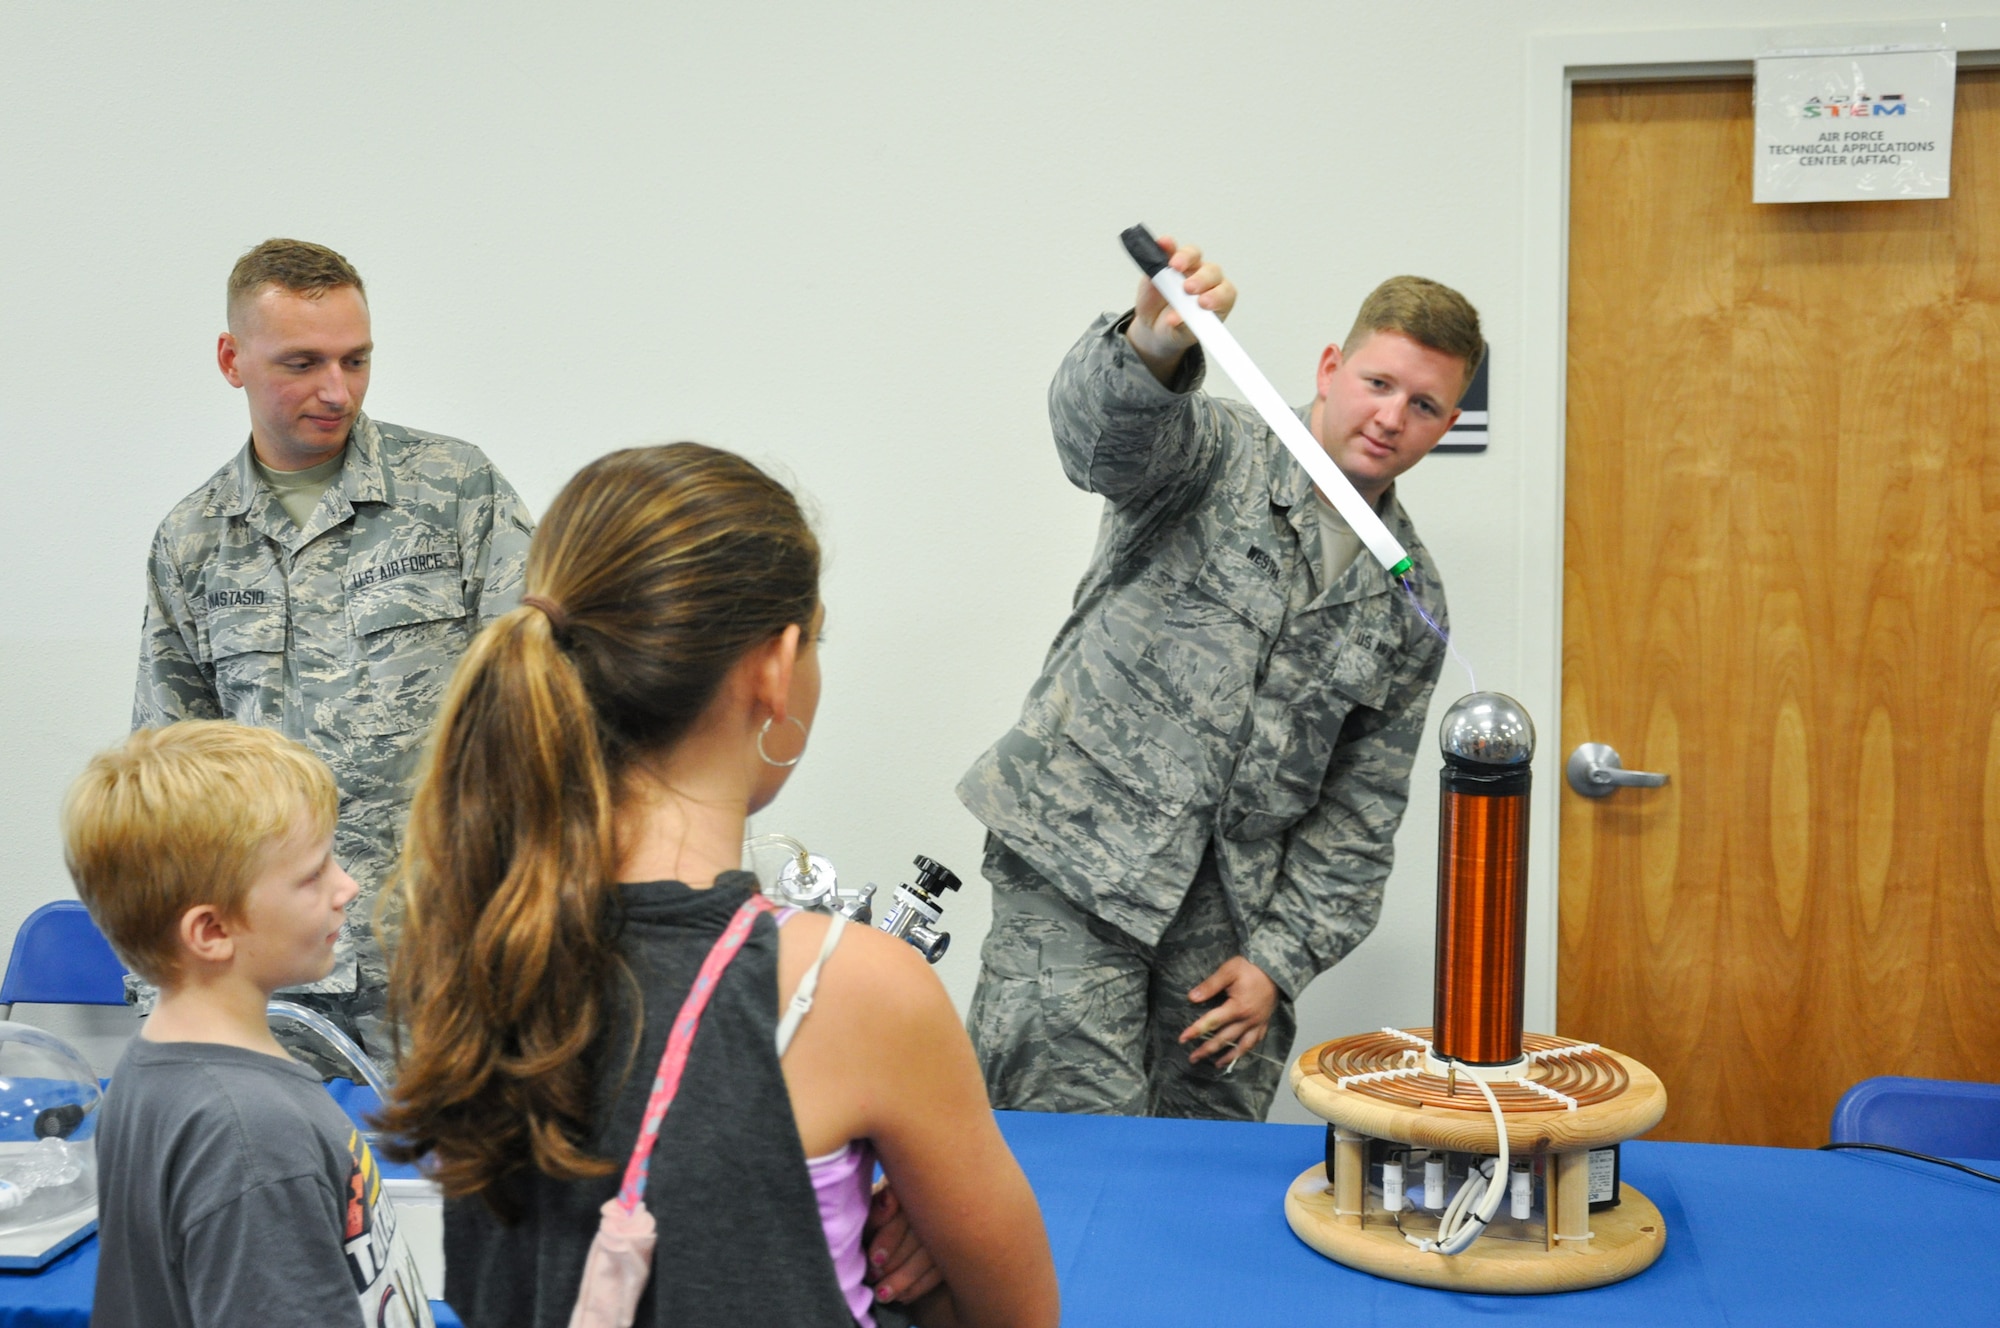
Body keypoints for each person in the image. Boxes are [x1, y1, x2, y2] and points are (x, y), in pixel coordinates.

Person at [375, 443, 1057, 1327]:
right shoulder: (846, 989)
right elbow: (1020, 1315)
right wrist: (915, 1275)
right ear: (776, 668)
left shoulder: (471, 945)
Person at [959, 235, 1484, 1121]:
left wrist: (1279, 960)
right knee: (1065, 1156)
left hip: (1226, 941)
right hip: (1078, 874)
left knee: (1196, 1188)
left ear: (1449, 424)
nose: (1394, 416)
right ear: (1330, 367)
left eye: (1426, 404)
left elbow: (1361, 815)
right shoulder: (1215, 452)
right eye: (1379, 383)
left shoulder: (1411, 595)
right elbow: (1101, 446)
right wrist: (1155, 346)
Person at [132, 238, 535, 1061]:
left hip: (446, 956)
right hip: (274, 974)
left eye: (356, 360)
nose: (335, 390)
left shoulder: (456, 490)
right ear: (231, 359)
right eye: (303, 362)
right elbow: (168, 782)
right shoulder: (193, 540)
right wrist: (167, 989)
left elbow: (540, 707)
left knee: (463, 1190)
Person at [64, 721, 432, 1328]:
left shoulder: (154, 1065)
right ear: (212, 932)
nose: (348, 885)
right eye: (313, 875)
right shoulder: (253, 1137)